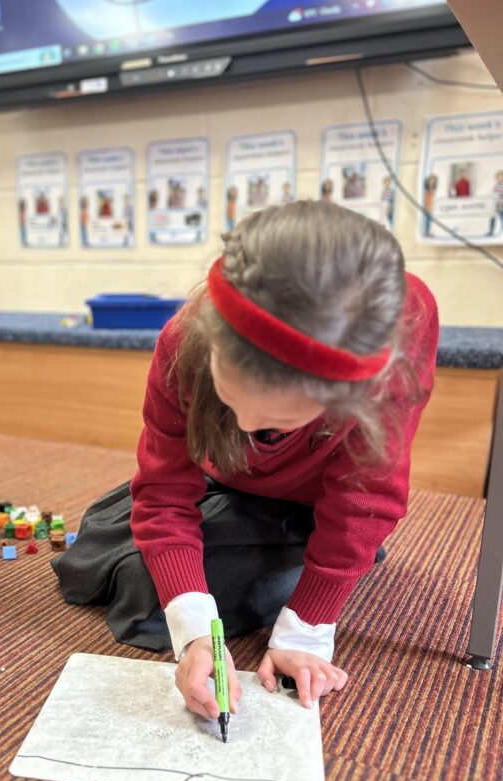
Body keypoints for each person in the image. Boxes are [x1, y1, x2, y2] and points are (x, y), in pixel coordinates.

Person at [53, 201, 438, 720]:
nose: (253, 429)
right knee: (94, 561)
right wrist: (193, 636)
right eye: (232, 402)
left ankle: (323, 562)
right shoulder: (183, 340)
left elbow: (365, 500)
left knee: (145, 606)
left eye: (282, 417)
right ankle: (288, 566)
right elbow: (164, 491)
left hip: (313, 504)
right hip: (225, 489)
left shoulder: (400, 338)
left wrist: (306, 630)